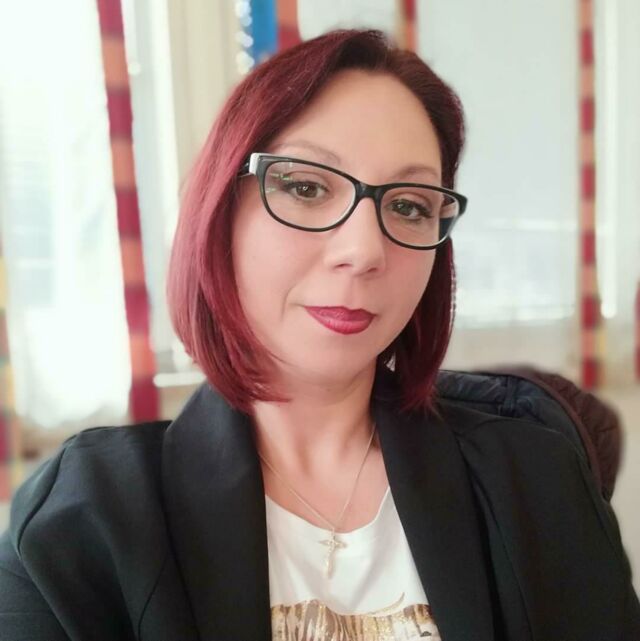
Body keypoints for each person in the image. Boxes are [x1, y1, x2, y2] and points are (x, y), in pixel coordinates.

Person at [0, 28, 638, 641]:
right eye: (306, 187)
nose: (364, 251)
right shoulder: (82, 522)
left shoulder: (537, 477)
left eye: (409, 205)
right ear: (221, 212)